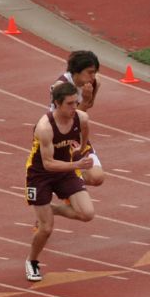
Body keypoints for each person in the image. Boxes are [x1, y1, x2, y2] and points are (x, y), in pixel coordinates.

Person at [26, 82, 95, 282]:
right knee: (46, 228)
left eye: (77, 102)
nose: (75, 107)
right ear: (57, 103)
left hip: (66, 169)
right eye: (70, 104)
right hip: (40, 174)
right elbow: (48, 164)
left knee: (87, 214)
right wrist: (79, 165)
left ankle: (51, 209)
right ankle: (32, 261)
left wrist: (81, 150)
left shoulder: (81, 118)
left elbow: (85, 133)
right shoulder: (45, 127)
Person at [50, 50, 105, 187]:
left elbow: (88, 105)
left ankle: (68, 177)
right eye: (90, 72)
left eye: (95, 72)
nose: (93, 76)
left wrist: (88, 99)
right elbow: (69, 118)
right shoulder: (60, 87)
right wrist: (85, 101)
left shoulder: (94, 82)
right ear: (76, 71)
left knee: (97, 178)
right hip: (57, 136)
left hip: (76, 134)